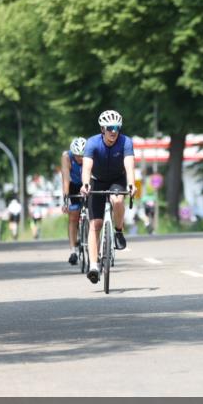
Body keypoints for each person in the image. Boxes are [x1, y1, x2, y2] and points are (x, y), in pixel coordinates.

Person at [80, 109, 135, 284]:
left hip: (117, 179)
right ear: (102, 129)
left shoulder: (126, 142)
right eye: (110, 127)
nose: (113, 131)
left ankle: (118, 231)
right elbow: (87, 167)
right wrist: (85, 184)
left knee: (117, 200)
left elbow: (129, 165)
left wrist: (132, 184)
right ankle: (93, 266)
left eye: (117, 127)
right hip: (96, 181)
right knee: (95, 224)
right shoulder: (92, 143)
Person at [61, 137, 87, 265]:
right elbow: (66, 178)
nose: (80, 158)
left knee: (94, 217)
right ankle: (73, 251)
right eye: (77, 155)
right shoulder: (67, 157)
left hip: (88, 184)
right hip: (74, 186)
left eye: (82, 155)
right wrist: (65, 200)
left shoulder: (91, 155)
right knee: (73, 216)